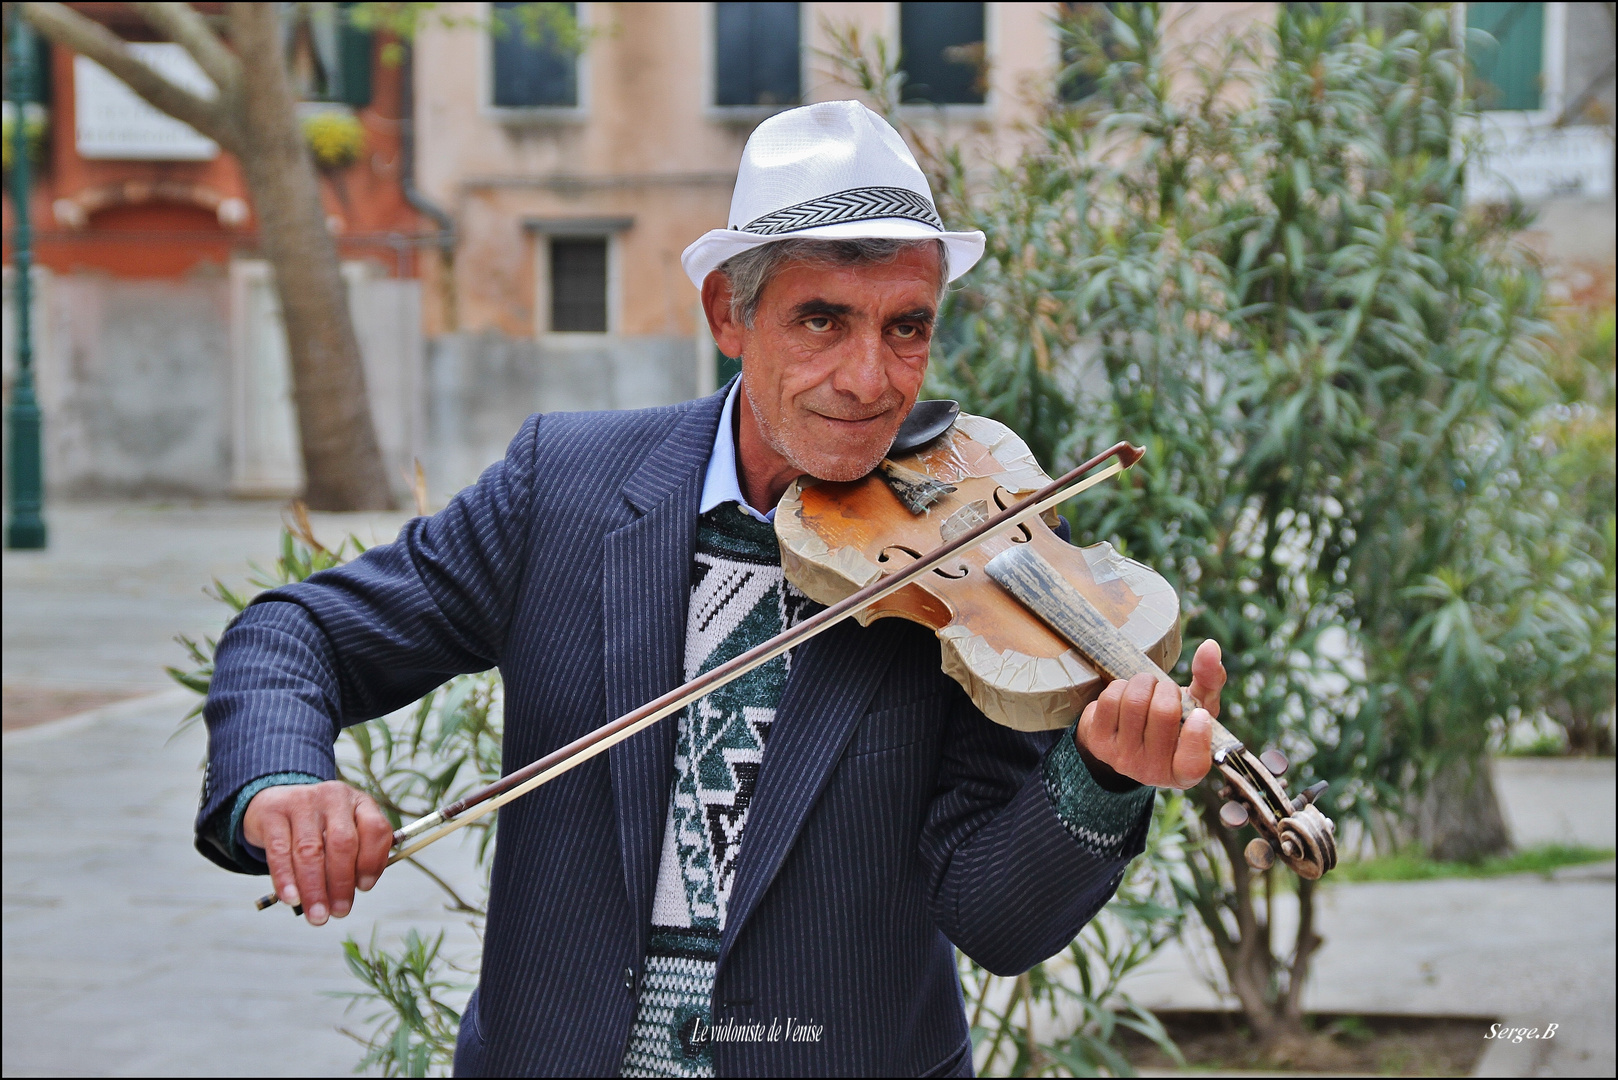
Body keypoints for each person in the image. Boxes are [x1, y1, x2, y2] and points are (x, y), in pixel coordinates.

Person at [197, 101, 1225, 1077]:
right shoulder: (564, 487)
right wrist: (283, 781)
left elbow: (998, 922)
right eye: (822, 322)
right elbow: (298, 634)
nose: (871, 380)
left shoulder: (968, 568)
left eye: (906, 327)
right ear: (728, 314)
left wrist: (1096, 782)